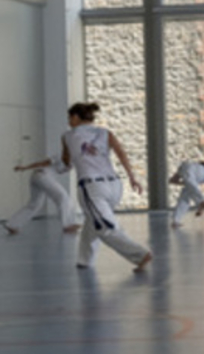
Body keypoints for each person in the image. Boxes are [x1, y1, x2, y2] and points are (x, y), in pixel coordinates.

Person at [61, 102, 152, 272]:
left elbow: (66, 161)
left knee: (105, 226)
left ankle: (140, 255)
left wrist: (70, 158)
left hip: (91, 187)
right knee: (92, 220)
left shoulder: (68, 136)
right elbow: (121, 153)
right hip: (114, 186)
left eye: (69, 118)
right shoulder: (105, 133)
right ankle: (85, 260)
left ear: (75, 117)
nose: (68, 121)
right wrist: (132, 178)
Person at [3, 154, 83, 235]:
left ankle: (12, 225)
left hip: (36, 177)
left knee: (34, 205)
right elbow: (42, 163)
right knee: (63, 197)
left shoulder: (73, 163)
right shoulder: (61, 157)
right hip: (42, 176)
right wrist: (25, 167)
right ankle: (68, 224)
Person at [169, 159, 204, 227]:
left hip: (184, 166)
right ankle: (201, 200)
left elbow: (172, 181)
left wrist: (185, 183)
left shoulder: (192, 165)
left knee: (185, 198)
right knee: (192, 187)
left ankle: (176, 221)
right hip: (190, 178)